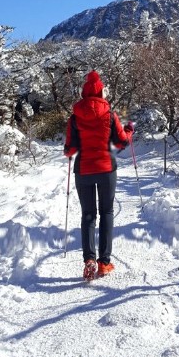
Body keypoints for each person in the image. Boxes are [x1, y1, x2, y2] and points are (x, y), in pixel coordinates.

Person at [64, 70, 133, 280]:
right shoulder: (110, 114)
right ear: (102, 92)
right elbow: (121, 142)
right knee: (107, 213)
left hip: (83, 170)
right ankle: (104, 263)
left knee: (88, 215)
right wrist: (129, 130)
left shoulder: (75, 118)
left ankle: (89, 260)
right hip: (106, 169)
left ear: (84, 93)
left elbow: (70, 150)